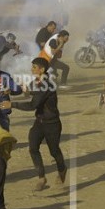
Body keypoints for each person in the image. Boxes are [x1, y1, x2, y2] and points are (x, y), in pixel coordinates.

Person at [13, 57, 67, 190]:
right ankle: (42, 177)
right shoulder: (38, 81)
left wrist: (12, 104)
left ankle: (62, 170)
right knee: (33, 147)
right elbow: (30, 91)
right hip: (40, 122)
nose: (31, 70)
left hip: (52, 123)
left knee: (54, 151)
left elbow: (33, 104)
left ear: (42, 69)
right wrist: (12, 90)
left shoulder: (47, 83)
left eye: (34, 67)